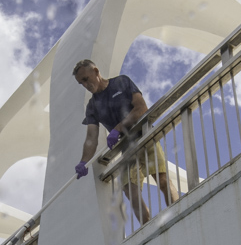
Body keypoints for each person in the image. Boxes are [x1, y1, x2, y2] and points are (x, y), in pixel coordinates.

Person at [71, 60, 176, 223]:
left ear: (96, 71)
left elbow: (141, 108)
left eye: (86, 79)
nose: (85, 85)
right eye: (81, 83)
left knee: (162, 180)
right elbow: (91, 137)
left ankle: (179, 211)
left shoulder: (121, 82)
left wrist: (118, 128)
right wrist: (83, 161)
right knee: (130, 191)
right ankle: (148, 226)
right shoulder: (92, 106)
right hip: (126, 147)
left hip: (144, 134)